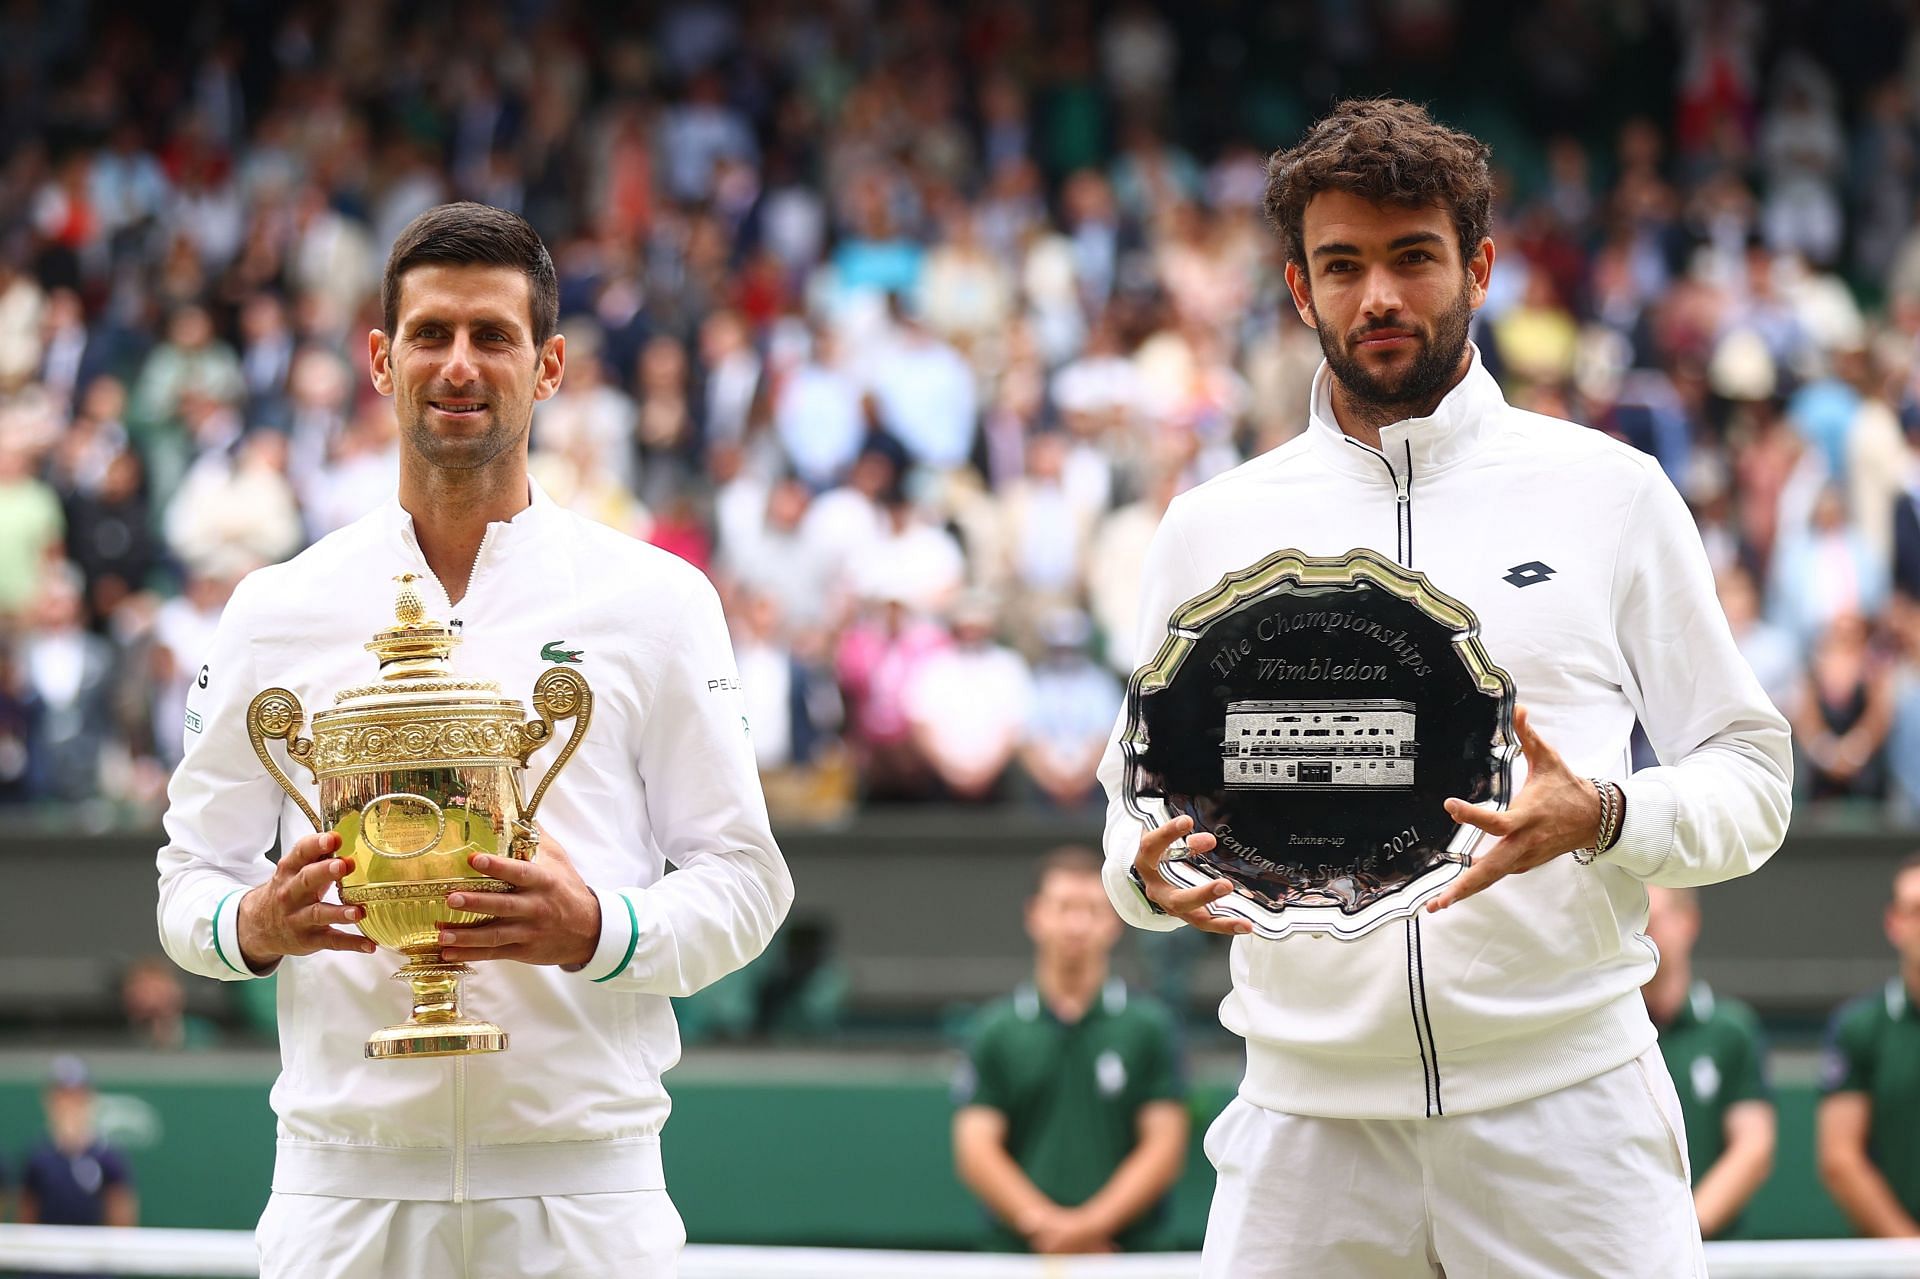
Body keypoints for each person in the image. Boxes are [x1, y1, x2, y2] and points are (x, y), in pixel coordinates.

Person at [1099, 99, 1791, 1277]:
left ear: (1477, 266)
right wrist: (1146, 878)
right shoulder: (1212, 526)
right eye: (1344, 263)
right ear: (1298, 287)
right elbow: (1132, 815)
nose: (1380, 296)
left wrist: (1610, 816)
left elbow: (1755, 777)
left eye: (1413, 256)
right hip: (1303, 1133)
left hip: (1572, 1115)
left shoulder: (1611, 493)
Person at [155, 203, 794, 1279]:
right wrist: (257, 922)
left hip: (584, 1195)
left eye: (492, 336)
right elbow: (187, 883)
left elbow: (747, 882)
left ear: (547, 368)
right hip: (341, 1188)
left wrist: (601, 927)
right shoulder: (276, 606)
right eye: (432, 334)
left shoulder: (657, 600)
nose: (460, 365)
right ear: (379, 358)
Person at [952, 846, 1188, 1254]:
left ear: (1114, 921)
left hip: (1127, 1257)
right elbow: (976, 1148)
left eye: (1093, 909)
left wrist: (1090, 1226)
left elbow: (1164, 1146)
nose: (1077, 924)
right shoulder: (995, 1030)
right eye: (1063, 907)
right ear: (1035, 916)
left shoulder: (1149, 1028)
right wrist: (1044, 1225)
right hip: (1018, 1258)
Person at [1642, 885, 1776, 1238]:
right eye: (1634, 919)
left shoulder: (1732, 1030)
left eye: (1653, 918)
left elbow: (1753, 1148)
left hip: (1712, 1254)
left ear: (1689, 922)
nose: (1643, 931)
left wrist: (1681, 1236)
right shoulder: (1599, 1030)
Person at [1817, 852, 1920, 1236]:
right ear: (1894, 924)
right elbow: (1840, 1158)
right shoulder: (1860, 1027)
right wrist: (1910, 1253)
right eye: (1915, 910)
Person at [17, 1056, 136, 1229]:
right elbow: (27, 1219)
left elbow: (122, 1222)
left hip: (97, 1252)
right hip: (48, 1252)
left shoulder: (109, 1158)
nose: (70, 1104)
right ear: (49, 1100)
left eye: (77, 1096)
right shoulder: (38, 1158)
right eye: (63, 1096)